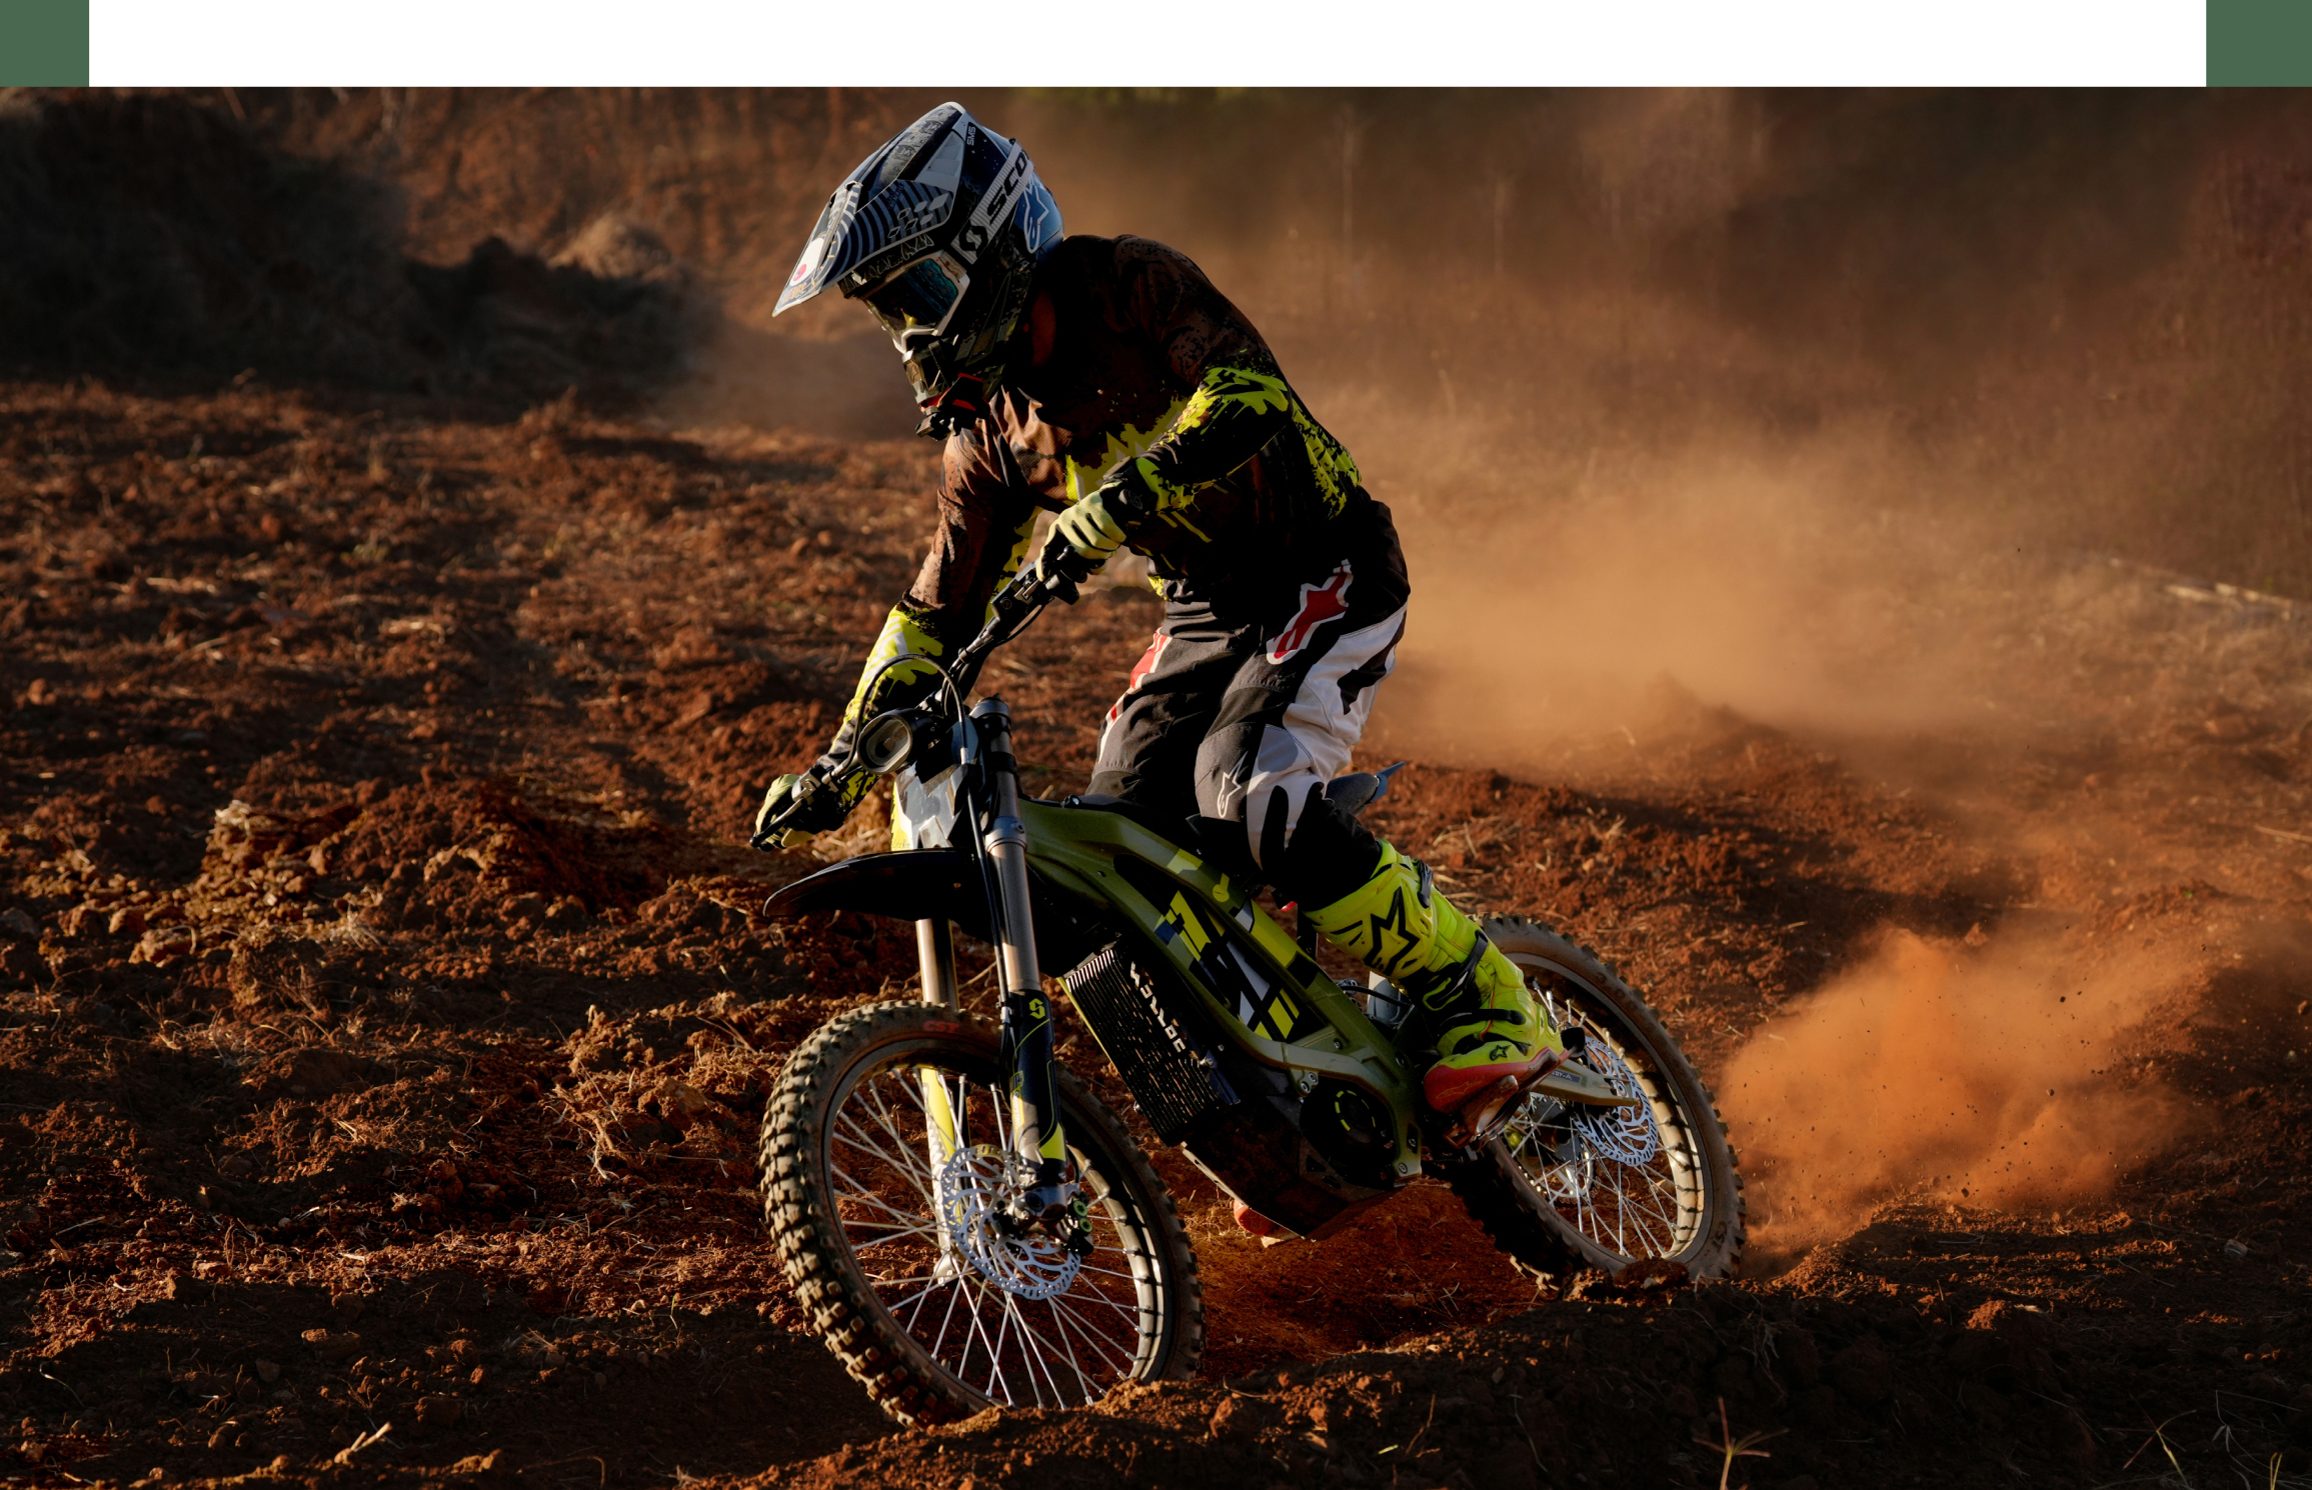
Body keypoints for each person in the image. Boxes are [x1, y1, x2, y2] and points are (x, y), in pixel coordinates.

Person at [754, 103, 1563, 1123]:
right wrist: (840, 760)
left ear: (989, 250)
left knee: (1250, 792)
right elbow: (934, 611)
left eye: (921, 293)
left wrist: (1123, 495)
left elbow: (1252, 397)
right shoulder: (992, 435)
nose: (913, 331)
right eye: (893, 312)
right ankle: (1277, 1094)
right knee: (1115, 854)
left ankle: (1485, 995)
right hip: (1202, 612)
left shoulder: (1129, 287)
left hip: (1324, 564)